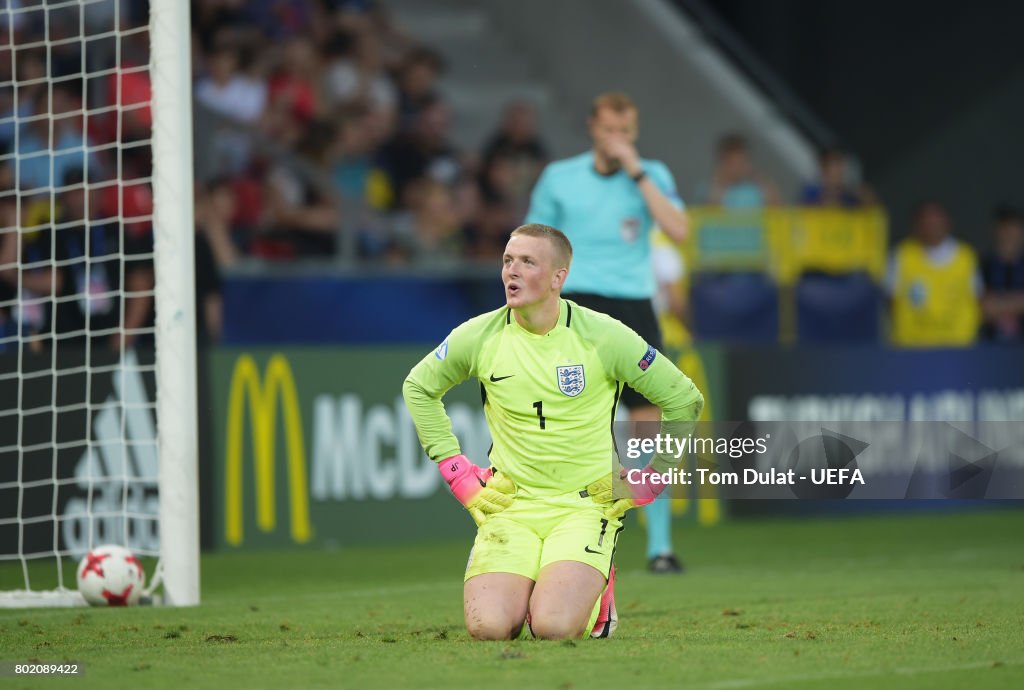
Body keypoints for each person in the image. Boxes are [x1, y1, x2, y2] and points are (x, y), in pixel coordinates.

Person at [402, 224, 704, 641]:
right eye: (508, 260)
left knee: (553, 627)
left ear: (558, 278)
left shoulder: (603, 335)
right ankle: (539, 585)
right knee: (488, 628)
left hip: (585, 506)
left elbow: (684, 399)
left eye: (528, 262)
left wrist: (655, 474)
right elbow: (418, 387)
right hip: (511, 505)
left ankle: (599, 596)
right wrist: (457, 471)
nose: (513, 271)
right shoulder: (480, 335)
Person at [524, 91, 690, 574]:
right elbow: (531, 243)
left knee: (645, 426)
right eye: (609, 130)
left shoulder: (651, 175)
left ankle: (659, 546)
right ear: (592, 129)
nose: (617, 139)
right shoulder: (560, 177)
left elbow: (678, 230)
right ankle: (558, 539)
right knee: (566, 422)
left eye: (626, 132)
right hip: (575, 305)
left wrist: (637, 170)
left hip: (634, 306)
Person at [887, 200, 981, 347]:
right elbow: (890, 302)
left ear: (947, 223)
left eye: (936, 223)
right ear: (916, 227)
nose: (931, 228)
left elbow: (977, 299)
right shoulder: (902, 255)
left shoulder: (966, 257)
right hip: (912, 348)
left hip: (957, 347)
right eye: (926, 224)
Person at [979, 205, 1024, 342]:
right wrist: (1017, 302)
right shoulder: (983, 264)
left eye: (1014, 227)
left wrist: (999, 304)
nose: (1009, 232)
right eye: (1005, 227)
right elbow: (982, 307)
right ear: (997, 230)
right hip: (990, 343)